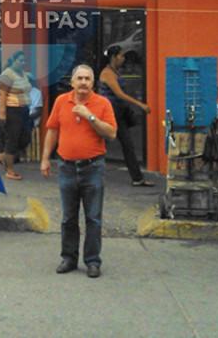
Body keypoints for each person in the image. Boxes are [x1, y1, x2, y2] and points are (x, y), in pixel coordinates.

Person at [41, 64, 117, 278]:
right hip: (66, 167)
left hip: (93, 167)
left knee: (93, 217)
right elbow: (53, 130)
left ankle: (93, 261)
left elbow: (111, 133)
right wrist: (45, 159)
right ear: (72, 82)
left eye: (87, 79)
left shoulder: (102, 104)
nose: (83, 82)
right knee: (68, 217)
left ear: (93, 83)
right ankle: (68, 258)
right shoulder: (61, 101)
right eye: (80, 78)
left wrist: (89, 116)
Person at [98, 46, 154, 187]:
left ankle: (137, 178)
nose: (123, 58)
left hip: (118, 113)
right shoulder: (107, 73)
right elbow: (119, 94)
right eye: (121, 56)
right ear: (114, 57)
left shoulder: (116, 72)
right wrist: (140, 105)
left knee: (127, 145)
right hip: (108, 113)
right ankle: (88, 174)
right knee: (100, 144)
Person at [0, 51, 32, 180]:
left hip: (24, 110)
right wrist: (3, 114)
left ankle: (3, 156)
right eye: (20, 60)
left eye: (24, 61)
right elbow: (2, 96)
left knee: (25, 138)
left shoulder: (23, 74)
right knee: (12, 140)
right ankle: (10, 170)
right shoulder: (7, 75)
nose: (22, 63)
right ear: (14, 60)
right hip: (12, 110)